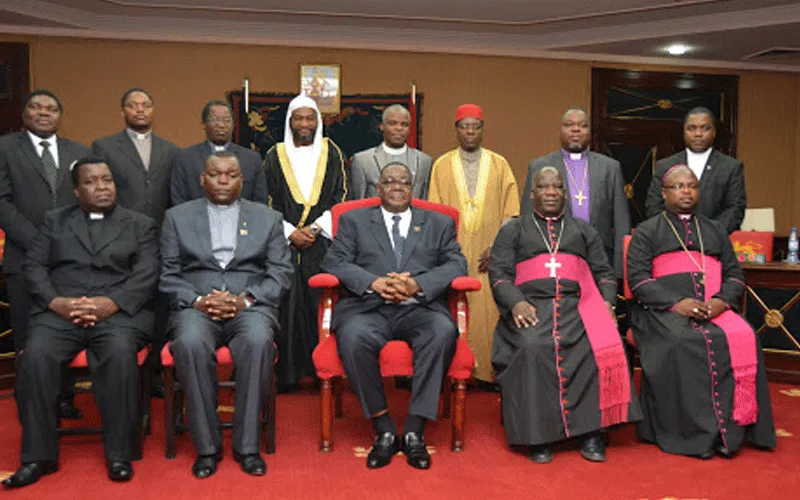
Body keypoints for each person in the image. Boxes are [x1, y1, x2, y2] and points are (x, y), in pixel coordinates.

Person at [3, 158, 159, 488]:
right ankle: (37, 457)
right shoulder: (54, 221)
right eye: (91, 182)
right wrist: (57, 302)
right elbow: (34, 266)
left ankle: (119, 453)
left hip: (118, 314)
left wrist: (111, 304)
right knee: (34, 357)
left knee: (119, 355)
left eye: (107, 180)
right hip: (63, 311)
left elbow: (147, 273)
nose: (101, 186)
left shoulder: (140, 224)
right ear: (76, 191)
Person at [321, 163, 467, 470]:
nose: (397, 186)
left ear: (413, 188)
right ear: (378, 189)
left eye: (404, 182)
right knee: (353, 337)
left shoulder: (438, 223)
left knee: (442, 331)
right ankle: (383, 427)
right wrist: (372, 282)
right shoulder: (353, 221)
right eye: (389, 181)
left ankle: (415, 429)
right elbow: (334, 261)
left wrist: (418, 284)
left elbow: (456, 264)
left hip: (420, 307)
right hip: (367, 306)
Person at [490, 167, 640, 464]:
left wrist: (608, 305)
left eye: (557, 187)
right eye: (543, 187)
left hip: (580, 305)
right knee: (533, 347)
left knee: (601, 344)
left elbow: (604, 274)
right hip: (531, 306)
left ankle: (594, 433)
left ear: (564, 193)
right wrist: (516, 303)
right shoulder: (513, 230)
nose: (550, 192)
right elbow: (499, 274)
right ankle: (538, 436)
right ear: (532, 194)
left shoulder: (584, 230)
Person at [628, 164, 775, 459]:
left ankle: (736, 429)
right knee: (683, 342)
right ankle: (690, 433)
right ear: (664, 193)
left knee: (747, 335)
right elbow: (639, 280)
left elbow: (735, 276)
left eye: (692, 186)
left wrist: (721, 302)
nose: (686, 191)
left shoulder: (715, 229)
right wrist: (676, 304)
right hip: (663, 311)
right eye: (679, 186)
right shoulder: (647, 231)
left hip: (713, 308)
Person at [160, 151, 292, 478]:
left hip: (249, 306)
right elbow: (167, 275)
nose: (223, 181)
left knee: (259, 342)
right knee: (189, 344)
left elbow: (280, 274)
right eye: (215, 175)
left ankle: (247, 446)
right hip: (196, 306)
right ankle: (207, 447)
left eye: (230, 175)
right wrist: (198, 300)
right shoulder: (177, 217)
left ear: (241, 180)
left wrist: (246, 300)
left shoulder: (268, 218)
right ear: (202, 178)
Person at [0, 89, 90, 419]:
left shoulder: (79, 152)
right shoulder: (5, 148)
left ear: (59, 115)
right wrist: (38, 240)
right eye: (36, 107)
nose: (44, 112)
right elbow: (1, 202)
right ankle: (31, 404)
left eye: (51, 108)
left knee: (66, 327)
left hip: (70, 260)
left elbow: (89, 199)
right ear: (24, 115)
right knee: (28, 335)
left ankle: (65, 397)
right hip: (24, 259)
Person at [92, 88, 180, 398]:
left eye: (145, 105)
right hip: (118, 244)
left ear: (153, 110)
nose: (139, 110)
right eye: (132, 105)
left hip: (160, 243)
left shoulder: (171, 150)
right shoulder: (104, 147)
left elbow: (176, 199)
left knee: (159, 310)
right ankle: (121, 374)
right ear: (123, 111)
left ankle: (155, 372)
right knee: (123, 308)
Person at [428, 103, 519, 389]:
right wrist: (444, 253)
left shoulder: (499, 164)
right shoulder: (441, 165)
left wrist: (498, 248)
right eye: (464, 126)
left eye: (476, 126)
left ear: (482, 130)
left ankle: (489, 373)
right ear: (456, 130)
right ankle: (453, 370)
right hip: (452, 255)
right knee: (450, 310)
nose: (470, 131)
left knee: (489, 311)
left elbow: (511, 212)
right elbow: (434, 212)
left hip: (488, 256)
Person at [263, 94, 348, 391]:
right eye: (298, 118)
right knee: (286, 305)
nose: (304, 124)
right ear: (290, 122)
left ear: (318, 122)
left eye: (309, 118)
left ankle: (322, 372)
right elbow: (266, 199)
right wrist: (289, 232)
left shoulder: (332, 152)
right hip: (284, 244)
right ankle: (287, 375)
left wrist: (314, 228)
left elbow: (341, 196)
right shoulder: (275, 154)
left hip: (320, 242)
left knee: (320, 305)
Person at [520, 107, 630, 278]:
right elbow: (527, 217)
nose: (576, 129)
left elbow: (621, 220)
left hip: (600, 258)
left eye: (583, 125)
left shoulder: (610, 167)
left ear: (590, 132)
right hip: (553, 256)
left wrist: (619, 270)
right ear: (560, 131)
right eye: (569, 125)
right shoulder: (539, 166)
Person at [645, 107, 746, 234]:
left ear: (714, 132)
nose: (698, 134)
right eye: (691, 128)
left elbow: (735, 209)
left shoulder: (731, 167)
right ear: (684, 132)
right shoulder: (664, 166)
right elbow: (653, 206)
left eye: (705, 128)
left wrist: (709, 234)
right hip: (671, 242)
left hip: (715, 242)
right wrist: (677, 233)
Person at [170, 99, 268, 206]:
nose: (221, 125)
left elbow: (260, 203)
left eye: (226, 120)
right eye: (214, 119)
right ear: (204, 123)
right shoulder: (186, 158)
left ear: (233, 124)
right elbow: (178, 201)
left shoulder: (252, 159)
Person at [350, 104, 432, 200]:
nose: (399, 128)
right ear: (381, 126)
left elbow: (425, 203)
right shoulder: (363, 160)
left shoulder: (424, 161)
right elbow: (358, 204)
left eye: (404, 124)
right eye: (392, 123)